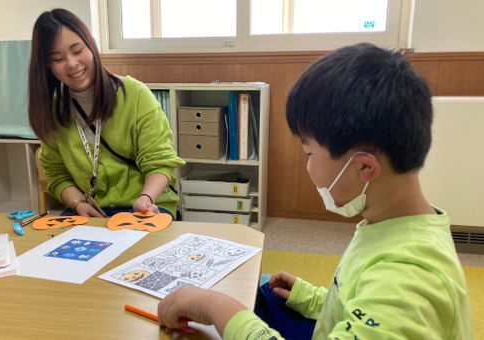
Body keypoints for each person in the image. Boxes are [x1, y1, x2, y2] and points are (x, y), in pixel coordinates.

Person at [157, 43, 475, 339]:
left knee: (225, 310)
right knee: (259, 296)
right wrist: (312, 298)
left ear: (365, 168)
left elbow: (383, 303)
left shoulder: (406, 283)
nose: (307, 167)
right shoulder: (396, 223)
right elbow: (357, 304)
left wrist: (215, 307)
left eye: (309, 154)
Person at [28, 9, 185, 218]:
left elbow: (161, 161)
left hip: (147, 204)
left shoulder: (135, 94)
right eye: (58, 59)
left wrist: (146, 199)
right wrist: (77, 203)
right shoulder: (54, 109)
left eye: (77, 51)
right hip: (91, 210)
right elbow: (57, 175)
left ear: (91, 46)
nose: (72, 64)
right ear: (47, 67)